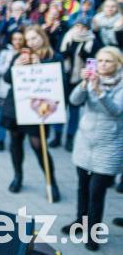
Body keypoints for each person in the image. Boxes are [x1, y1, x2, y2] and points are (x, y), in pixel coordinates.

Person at [61, 47, 123, 251]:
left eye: (108, 61)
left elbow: (116, 111)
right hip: (86, 141)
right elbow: (74, 101)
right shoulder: (92, 79)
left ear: (118, 64)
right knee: (82, 186)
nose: (103, 64)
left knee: (97, 191)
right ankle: (80, 221)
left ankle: (93, 231)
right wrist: (85, 83)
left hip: (109, 144)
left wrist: (99, 91)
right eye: (100, 61)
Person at [2, 25, 63, 201]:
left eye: (34, 38)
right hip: (16, 107)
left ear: (43, 38)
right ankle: (18, 176)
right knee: (15, 143)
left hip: (38, 111)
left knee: (38, 146)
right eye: (28, 40)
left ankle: (51, 182)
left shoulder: (53, 57)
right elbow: (7, 79)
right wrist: (15, 66)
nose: (31, 43)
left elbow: (59, 84)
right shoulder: (20, 56)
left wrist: (41, 66)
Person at [53, 16, 101, 151]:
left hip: (79, 80)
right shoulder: (67, 37)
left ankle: (70, 138)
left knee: (74, 109)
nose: (80, 29)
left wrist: (86, 58)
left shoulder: (93, 42)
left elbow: (94, 63)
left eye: (84, 27)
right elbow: (57, 53)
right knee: (59, 108)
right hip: (63, 77)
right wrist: (64, 55)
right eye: (78, 26)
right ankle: (57, 136)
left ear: (88, 28)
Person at [0, 30, 25, 152]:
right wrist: (12, 64)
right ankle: (0, 140)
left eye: (20, 39)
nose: (17, 42)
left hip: (20, 92)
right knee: (2, 116)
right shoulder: (5, 53)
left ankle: (14, 142)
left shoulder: (26, 54)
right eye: (15, 39)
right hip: (4, 91)